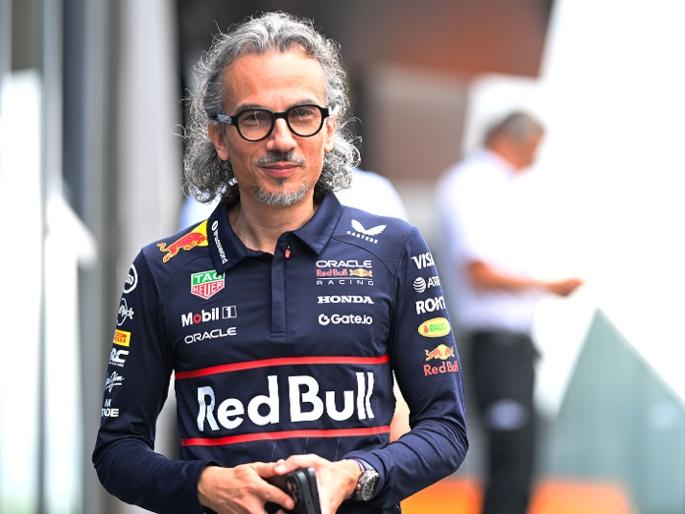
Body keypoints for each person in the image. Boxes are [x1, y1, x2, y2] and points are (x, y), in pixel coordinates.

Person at [93, 12, 467, 514]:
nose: (282, 140)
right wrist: (204, 485)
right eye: (255, 118)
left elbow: (446, 429)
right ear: (219, 138)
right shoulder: (161, 270)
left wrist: (356, 475)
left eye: (302, 114)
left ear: (329, 127)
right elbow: (116, 451)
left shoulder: (394, 249)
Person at [435, 111, 582, 514]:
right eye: (534, 145)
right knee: (508, 462)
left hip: (511, 347)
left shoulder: (494, 185)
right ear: (510, 139)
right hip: (495, 346)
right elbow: (479, 270)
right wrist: (549, 285)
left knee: (519, 462)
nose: (536, 155)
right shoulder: (473, 184)